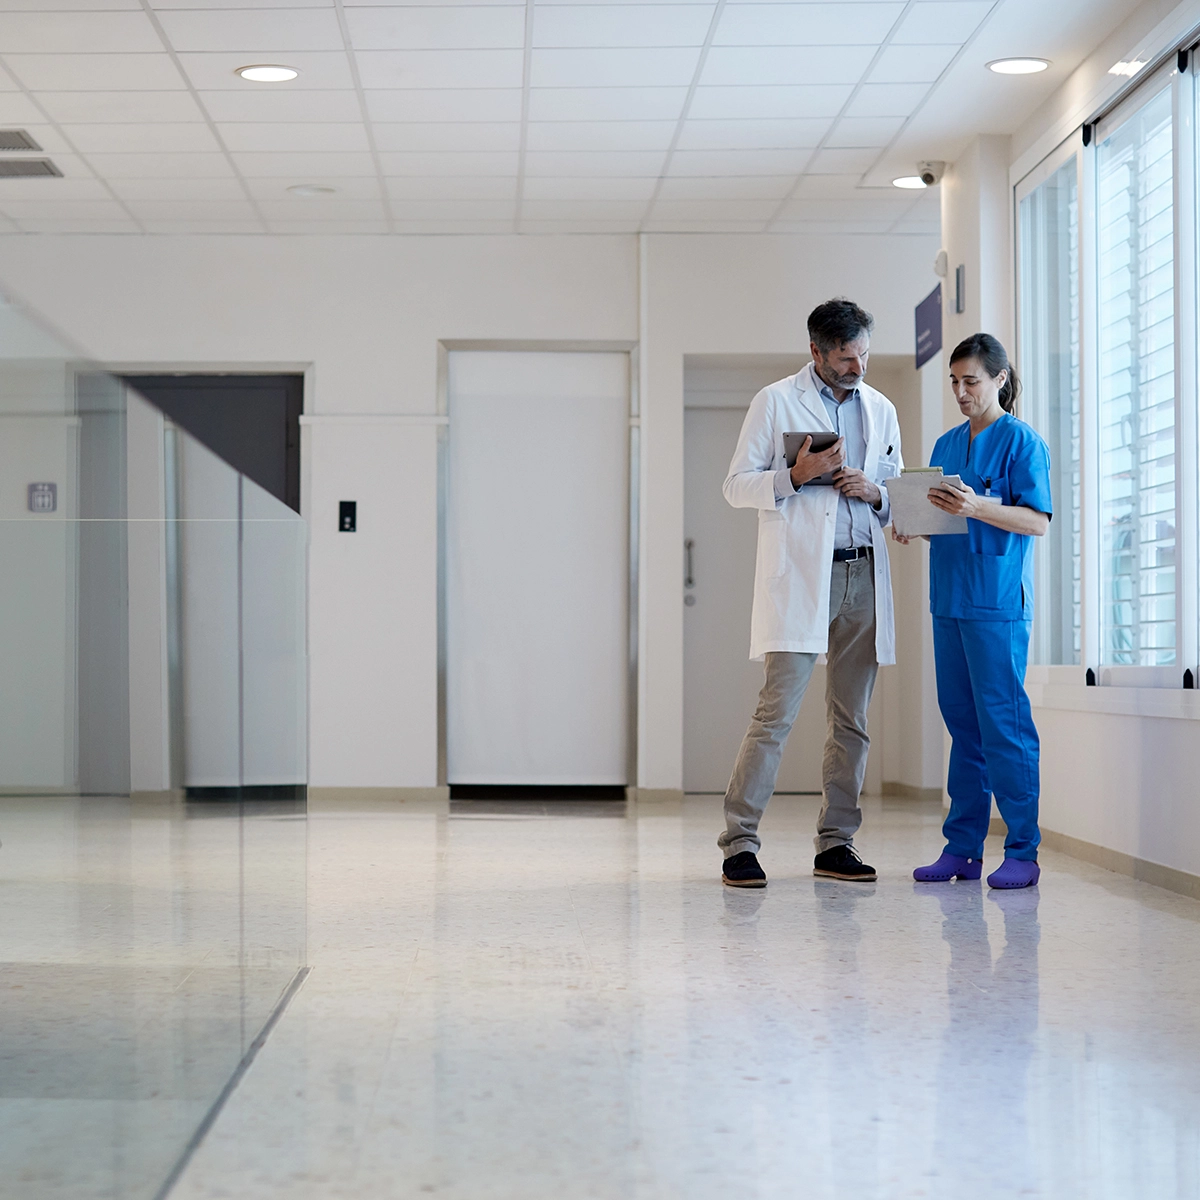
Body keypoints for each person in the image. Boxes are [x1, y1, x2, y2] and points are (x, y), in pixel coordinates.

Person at [718, 298, 903, 887]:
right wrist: (795, 476)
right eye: (846, 358)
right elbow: (735, 485)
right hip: (803, 576)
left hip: (862, 574)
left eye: (864, 355)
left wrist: (876, 493)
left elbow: (895, 493)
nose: (858, 368)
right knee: (776, 714)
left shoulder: (881, 408)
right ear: (816, 352)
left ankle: (836, 842)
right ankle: (739, 842)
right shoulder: (775, 401)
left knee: (852, 718)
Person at [894, 333, 1051, 890]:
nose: (961, 392)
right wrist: (913, 524)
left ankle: (1023, 851)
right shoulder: (946, 445)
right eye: (954, 382)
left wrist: (978, 504)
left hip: (997, 604)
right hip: (950, 600)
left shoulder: (1022, 443)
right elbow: (948, 524)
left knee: (1003, 726)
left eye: (972, 382)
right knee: (962, 725)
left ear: (999, 380)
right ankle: (962, 849)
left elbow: (1036, 521)